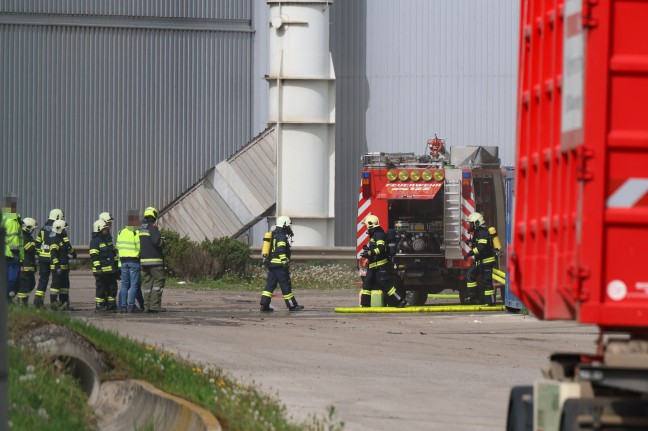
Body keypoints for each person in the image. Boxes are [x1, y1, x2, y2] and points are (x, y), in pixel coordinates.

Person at [359, 215, 407, 308]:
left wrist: (369, 252)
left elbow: (381, 249)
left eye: (366, 226)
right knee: (367, 284)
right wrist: (368, 249)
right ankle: (365, 305)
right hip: (373, 266)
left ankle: (400, 300)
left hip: (380, 266)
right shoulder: (374, 235)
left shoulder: (379, 234)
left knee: (385, 284)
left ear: (370, 226)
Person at [259, 216, 304, 312]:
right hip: (279, 265)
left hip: (272, 265)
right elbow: (280, 249)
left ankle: (264, 305)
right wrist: (284, 261)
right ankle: (292, 306)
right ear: (284, 225)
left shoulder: (274, 234)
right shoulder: (281, 236)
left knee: (270, 285)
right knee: (285, 285)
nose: (289, 228)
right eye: (288, 226)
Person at [463, 212, 497, 306]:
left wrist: (469, 254)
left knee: (487, 281)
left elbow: (481, 247)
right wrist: (470, 243)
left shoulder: (483, 232)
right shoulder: (478, 232)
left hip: (487, 261)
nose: (470, 225)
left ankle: (490, 302)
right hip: (479, 261)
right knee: (470, 275)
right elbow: (476, 245)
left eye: (471, 223)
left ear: (477, 223)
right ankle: (473, 297)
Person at [34, 208, 65, 307]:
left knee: (43, 279)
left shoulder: (43, 228)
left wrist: (40, 254)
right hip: (53, 258)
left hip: (43, 259)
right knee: (55, 280)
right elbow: (63, 244)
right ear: (58, 217)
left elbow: (37, 243)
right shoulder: (58, 227)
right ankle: (54, 302)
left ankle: (38, 302)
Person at [139, 206, 165, 313]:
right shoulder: (153, 226)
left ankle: (146, 306)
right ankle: (155, 306)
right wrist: (163, 242)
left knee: (147, 284)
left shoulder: (142, 227)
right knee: (159, 280)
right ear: (154, 215)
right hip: (154, 260)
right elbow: (156, 241)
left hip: (144, 261)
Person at [90, 219, 119, 312]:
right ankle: (99, 306)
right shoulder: (95, 241)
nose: (107, 230)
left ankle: (111, 305)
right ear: (99, 229)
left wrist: (116, 269)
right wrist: (98, 268)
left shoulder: (106, 239)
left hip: (110, 270)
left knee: (112, 288)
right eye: (105, 229)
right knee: (101, 289)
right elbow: (94, 256)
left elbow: (112, 255)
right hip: (101, 271)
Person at [116, 210, 142, 313]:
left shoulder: (120, 232)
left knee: (124, 285)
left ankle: (123, 306)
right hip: (133, 261)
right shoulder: (135, 232)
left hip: (123, 261)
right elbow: (139, 247)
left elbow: (118, 246)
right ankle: (131, 306)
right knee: (134, 284)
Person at [2, 194, 23, 299]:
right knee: (13, 280)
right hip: (11, 255)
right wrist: (17, 255)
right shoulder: (12, 221)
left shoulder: (3, 218)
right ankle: (7, 300)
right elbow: (14, 240)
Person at [16, 217, 38, 306]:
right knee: (25, 286)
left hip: (29, 265)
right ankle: (21, 303)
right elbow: (29, 248)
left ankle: (23, 302)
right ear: (28, 228)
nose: (33, 231)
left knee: (31, 284)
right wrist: (36, 244)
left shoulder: (28, 236)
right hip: (25, 266)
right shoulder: (22, 236)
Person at [47, 219, 68, 310]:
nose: (64, 231)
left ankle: (64, 304)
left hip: (64, 268)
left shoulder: (61, 238)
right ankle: (54, 304)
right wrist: (57, 266)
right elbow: (53, 254)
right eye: (63, 229)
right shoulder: (55, 239)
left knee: (64, 286)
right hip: (58, 269)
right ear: (59, 229)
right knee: (55, 286)